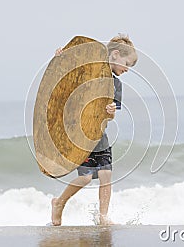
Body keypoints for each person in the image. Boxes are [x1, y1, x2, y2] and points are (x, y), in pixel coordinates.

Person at [51, 34, 138, 226]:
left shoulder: (116, 84)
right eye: (127, 64)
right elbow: (67, 77)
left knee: (106, 175)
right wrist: (60, 58)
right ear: (115, 54)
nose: (127, 69)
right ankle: (59, 203)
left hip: (100, 134)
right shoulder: (89, 71)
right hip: (81, 135)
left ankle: (103, 217)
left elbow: (111, 116)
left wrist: (110, 111)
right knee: (86, 178)